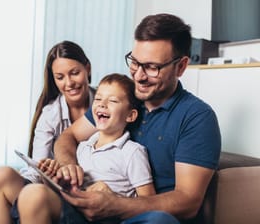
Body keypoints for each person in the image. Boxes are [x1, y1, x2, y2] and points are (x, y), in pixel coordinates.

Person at [52, 13, 221, 224]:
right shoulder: (121, 98)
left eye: (152, 67)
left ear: (181, 66)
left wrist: (116, 205)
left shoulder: (196, 117)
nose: (138, 76)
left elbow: (188, 202)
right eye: (135, 62)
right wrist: (69, 166)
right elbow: (68, 136)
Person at [0, 40, 95, 224]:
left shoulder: (106, 104)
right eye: (60, 77)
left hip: (79, 198)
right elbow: (35, 173)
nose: (69, 83)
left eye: (75, 73)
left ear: (87, 68)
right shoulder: (50, 115)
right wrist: (48, 172)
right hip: (51, 192)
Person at [17, 73, 156, 224]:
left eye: (113, 101)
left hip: (106, 218)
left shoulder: (132, 152)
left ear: (130, 115)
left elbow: (148, 202)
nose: (102, 104)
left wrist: (115, 199)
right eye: (98, 99)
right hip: (75, 212)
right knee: (28, 191)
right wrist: (53, 177)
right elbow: (69, 190)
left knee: (33, 195)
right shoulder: (82, 147)